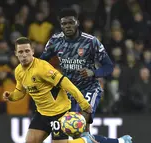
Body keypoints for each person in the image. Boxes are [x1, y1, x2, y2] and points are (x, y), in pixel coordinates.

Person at [41, 8, 132, 143]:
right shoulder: (55, 40)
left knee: (81, 130)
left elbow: (109, 66)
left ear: (77, 22)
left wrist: (94, 73)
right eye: (64, 24)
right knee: (79, 137)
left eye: (70, 23)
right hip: (68, 92)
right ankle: (120, 142)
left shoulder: (91, 42)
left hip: (88, 89)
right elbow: (41, 63)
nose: (67, 26)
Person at [3, 37, 97, 143]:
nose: (24, 54)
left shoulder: (42, 68)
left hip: (59, 113)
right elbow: (20, 91)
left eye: (27, 51)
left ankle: (85, 140)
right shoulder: (18, 71)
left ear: (32, 51)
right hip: (42, 114)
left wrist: (83, 103)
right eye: (20, 52)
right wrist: (10, 96)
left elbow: (66, 83)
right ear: (16, 53)